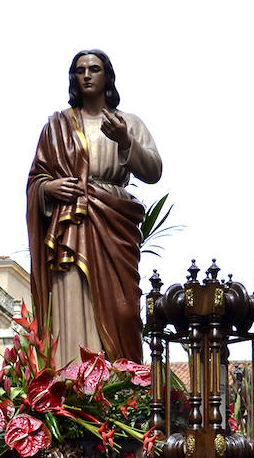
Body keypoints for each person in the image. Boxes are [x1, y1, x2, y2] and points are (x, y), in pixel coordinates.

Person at [27, 49, 162, 367]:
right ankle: (73, 382)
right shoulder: (57, 126)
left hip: (114, 224)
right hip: (71, 225)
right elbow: (36, 177)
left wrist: (126, 141)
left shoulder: (127, 122)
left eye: (94, 69)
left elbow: (154, 170)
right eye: (79, 70)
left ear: (107, 76)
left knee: (124, 309)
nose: (86, 75)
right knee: (72, 303)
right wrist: (48, 188)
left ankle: (120, 381)